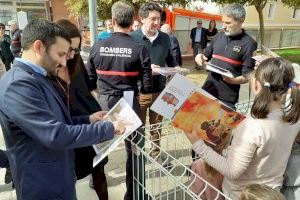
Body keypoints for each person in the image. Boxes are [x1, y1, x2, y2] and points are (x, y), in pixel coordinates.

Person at [0, 19, 124, 200]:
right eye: (60, 53)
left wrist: (88, 119)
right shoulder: (19, 84)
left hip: (57, 177)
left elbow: (55, 121)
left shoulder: (37, 76)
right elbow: (54, 134)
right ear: (39, 47)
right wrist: (108, 128)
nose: (64, 61)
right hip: (43, 186)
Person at [186, 57, 300, 200]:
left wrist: (197, 144)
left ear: (256, 84)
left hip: (242, 194)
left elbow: (232, 171)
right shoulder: (294, 118)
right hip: (271, 193)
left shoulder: (252, 126)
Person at [86, 1, 152, 199]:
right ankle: (134, 194)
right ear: (132, 22)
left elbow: (90, 82)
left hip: (104, 102)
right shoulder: (139, 48)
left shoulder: (97, 47)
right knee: (135, 150)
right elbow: (147, 86)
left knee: (100, 147)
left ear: (113, 20)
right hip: (129, 103)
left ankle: (96, 181)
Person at [55, 19, 110, 200]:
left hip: (89, 118)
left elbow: (87, 87)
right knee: (69, 176)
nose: (72, 55)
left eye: (76, 49)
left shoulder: (76, 61)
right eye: (69, 49)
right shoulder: (49, 69)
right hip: (71, 127)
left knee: (99, 168)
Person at [131, 1, 178, 159]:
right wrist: (145, 70)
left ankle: (156, 154)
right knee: (138, 127)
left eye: (159, 19)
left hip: (160, 91)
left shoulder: (165, 38)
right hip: (140, 92)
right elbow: (127, 67)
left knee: (157, 127)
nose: (157, 23)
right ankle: (138, 155)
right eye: (153, 19)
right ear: (142, 18)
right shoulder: (132, 38)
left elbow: (171, 60)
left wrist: (176, 69)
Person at [195, 4, 257, 110]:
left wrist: (233, 81)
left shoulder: (249, 44)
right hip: (207, 90)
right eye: (223, 22)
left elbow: (247, 75)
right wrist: (199, 57)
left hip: (227, 98)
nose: (223, 26)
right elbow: (205, 56)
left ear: (240, 21)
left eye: (228, 23)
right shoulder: (218, 36)